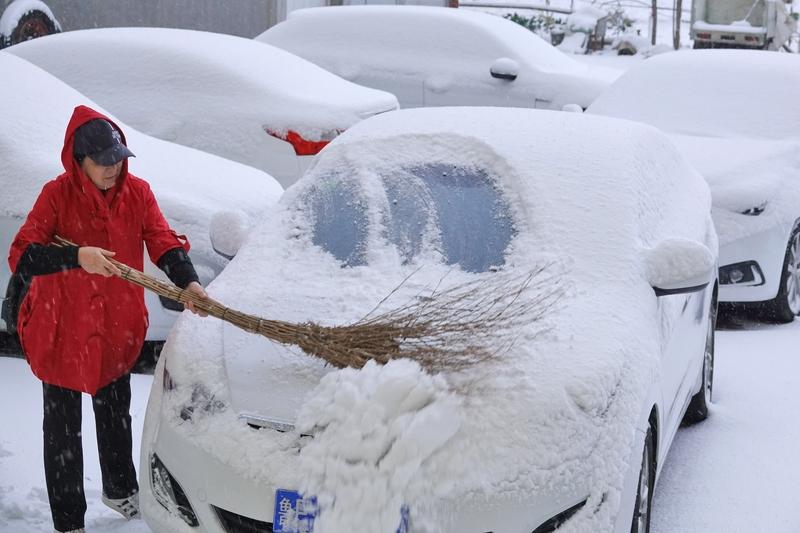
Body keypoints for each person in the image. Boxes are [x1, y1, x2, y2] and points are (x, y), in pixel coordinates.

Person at [6, 105, 208, 533]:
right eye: (103, 161)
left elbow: (161, 240)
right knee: (62, 432)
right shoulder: (56, 196)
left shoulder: (138, 194)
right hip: (60, 329)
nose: (114, 167)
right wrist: (77, 256)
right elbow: (21, 255)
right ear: (79, 161)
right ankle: (68, 520)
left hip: (116, 328)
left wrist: (187, 281)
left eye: (119, 158)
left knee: (116, 414)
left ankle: (120, 492)